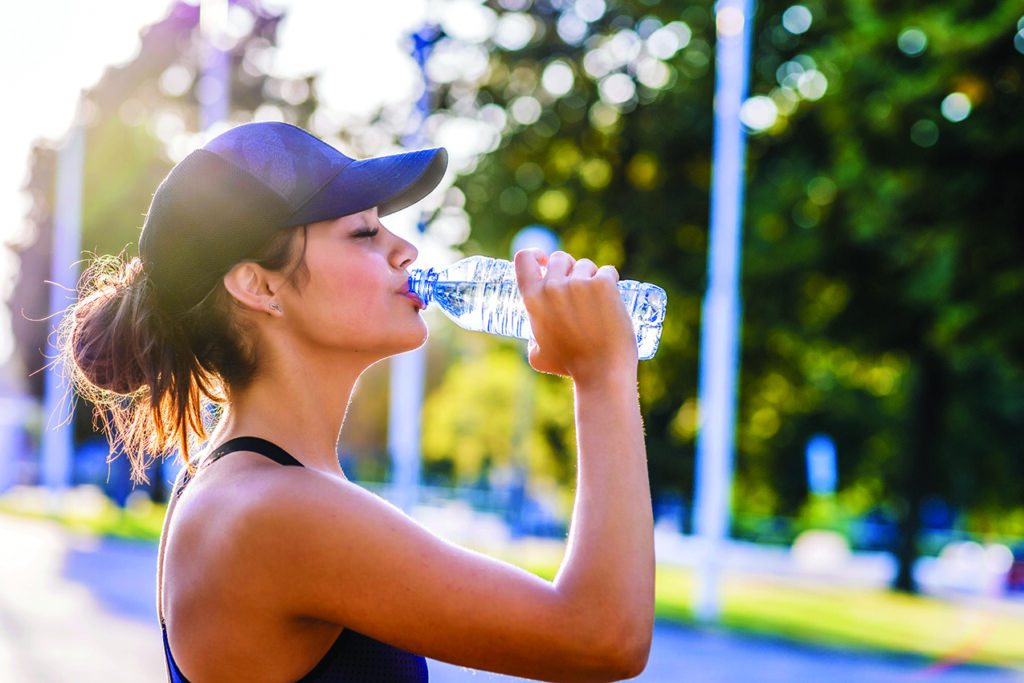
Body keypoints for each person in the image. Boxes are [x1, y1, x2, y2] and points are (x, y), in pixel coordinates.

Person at [61, 121, 654, 682]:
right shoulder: (274, 510)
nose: (407, 252)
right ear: (258, 285)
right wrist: (602, 375)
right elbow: (601, 636)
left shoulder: (249, 484)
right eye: (366, 232)